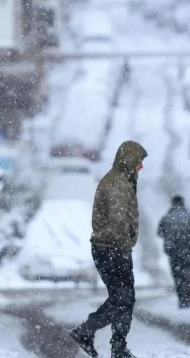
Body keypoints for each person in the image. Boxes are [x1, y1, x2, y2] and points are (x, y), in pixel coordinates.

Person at [70, 140, 147, 358]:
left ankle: (115, 344)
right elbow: (117, 221)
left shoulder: (119, 180)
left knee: (122, 297)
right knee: (123, 298)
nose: (141, 166)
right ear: (130, 160)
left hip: (110, 247)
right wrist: (124, 247)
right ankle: (92, 333)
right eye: (139, 161)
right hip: (112, 248)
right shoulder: (118, 184)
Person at [157, 195, 190, 308]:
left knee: (177, 275)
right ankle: (187, 298)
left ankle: (181, 299)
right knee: (187, 274)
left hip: (173, 251)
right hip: (187, 250)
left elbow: (159, 232)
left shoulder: (167, 217)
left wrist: (170, 237)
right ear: (183, 203)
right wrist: (188, 238)